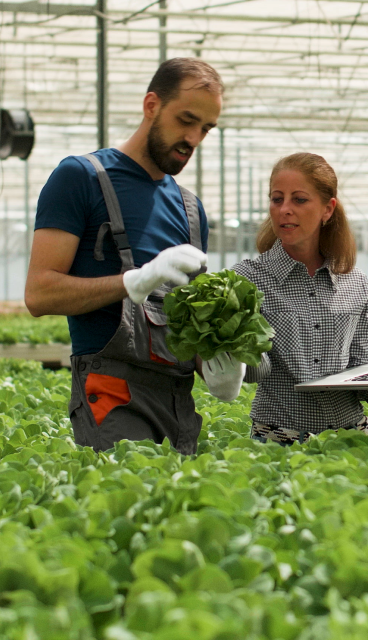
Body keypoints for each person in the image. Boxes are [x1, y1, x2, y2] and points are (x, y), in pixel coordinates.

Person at [25, 58, 238, 455]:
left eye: (205, 129)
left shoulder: (190, 210)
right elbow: (39, 294)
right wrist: (132, 281)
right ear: (151, 105)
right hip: (112, 395)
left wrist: (215, 364)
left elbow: (184, 323)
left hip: (177, 401)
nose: (193, 137)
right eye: (186, 120)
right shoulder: (82, 178)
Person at [232, 153, 368, 445]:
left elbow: (361, 373)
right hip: (279, 442)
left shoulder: (355, 282)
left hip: (352, 440)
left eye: (299, 200)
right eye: (276, 199)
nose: (284, 209)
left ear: (327, 209)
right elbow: (253, 373)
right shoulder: (247, 279)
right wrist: (232, 355)